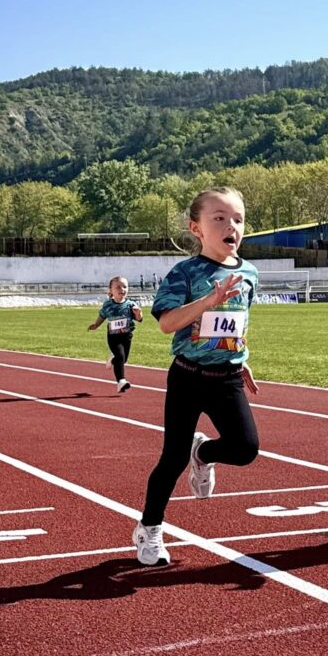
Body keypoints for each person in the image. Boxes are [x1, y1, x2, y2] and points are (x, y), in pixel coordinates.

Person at [132, 187, 261, 565]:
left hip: (228, 376)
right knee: (171, 460)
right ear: (196, 228)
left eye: (237, 219)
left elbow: (239, 322)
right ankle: (150, 530)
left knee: (245, 449)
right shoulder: (184, 273)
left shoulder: (250, 272)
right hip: (188, 377)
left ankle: (202, 453)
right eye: (219, 218)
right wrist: (208, 300)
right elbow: (167, 324)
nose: (231, 226)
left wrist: (241, 356)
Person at [87, 276, 142, 393]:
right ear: (111, 290)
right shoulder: (108, 305)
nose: (122, 289)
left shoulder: (131, 305)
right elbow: (102, 316)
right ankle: (121, 381)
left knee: (123, 359)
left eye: (125, 287)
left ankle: (112, 360)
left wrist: (139, 313)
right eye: (118, 287)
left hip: (127, 336)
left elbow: (139, 319)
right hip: (113, 337)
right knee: (120, 357)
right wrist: (96, 325)